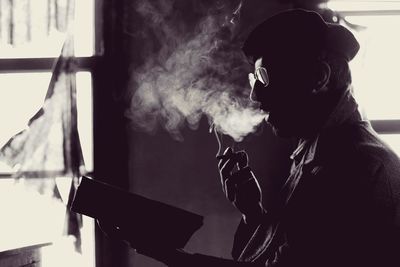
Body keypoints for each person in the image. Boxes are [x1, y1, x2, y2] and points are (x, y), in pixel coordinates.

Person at [100, 9, 400, 267]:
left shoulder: (357, 168)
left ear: (319, 78)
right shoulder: (315, 152)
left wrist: (170, 254)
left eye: (266, 76)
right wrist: (252, 211)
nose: (255, 94)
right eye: (254, 79)